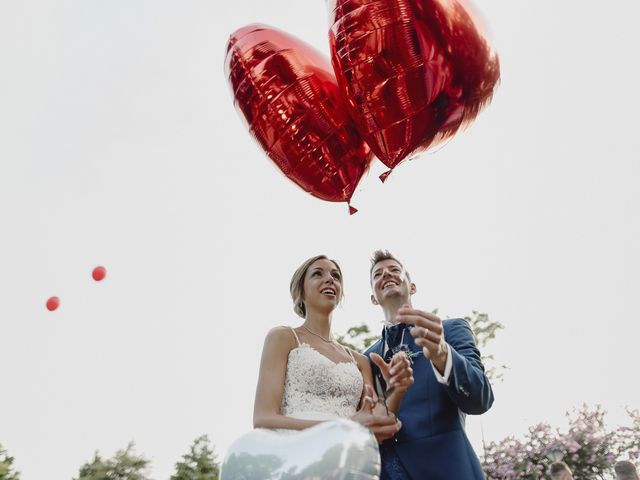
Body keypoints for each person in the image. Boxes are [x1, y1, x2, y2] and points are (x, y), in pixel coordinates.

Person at [253, 254, 414, 443]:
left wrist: (395, 390)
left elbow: (374, 421)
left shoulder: (360, 360)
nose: (329, 279)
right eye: (318, 274)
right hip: (295, 453)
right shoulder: (282, 337)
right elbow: (263, 419)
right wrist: (343, 426)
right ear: (301, 292)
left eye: (335, 276)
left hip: (349, 460)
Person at [365, 250, 495, 479]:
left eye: (395, 270)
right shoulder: (366, 358)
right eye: (378, 274)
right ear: (373, 298)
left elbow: (480, 400)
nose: (386, 274)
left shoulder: (451, 329)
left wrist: (443, 354)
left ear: (412, 286)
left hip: (448, 469)